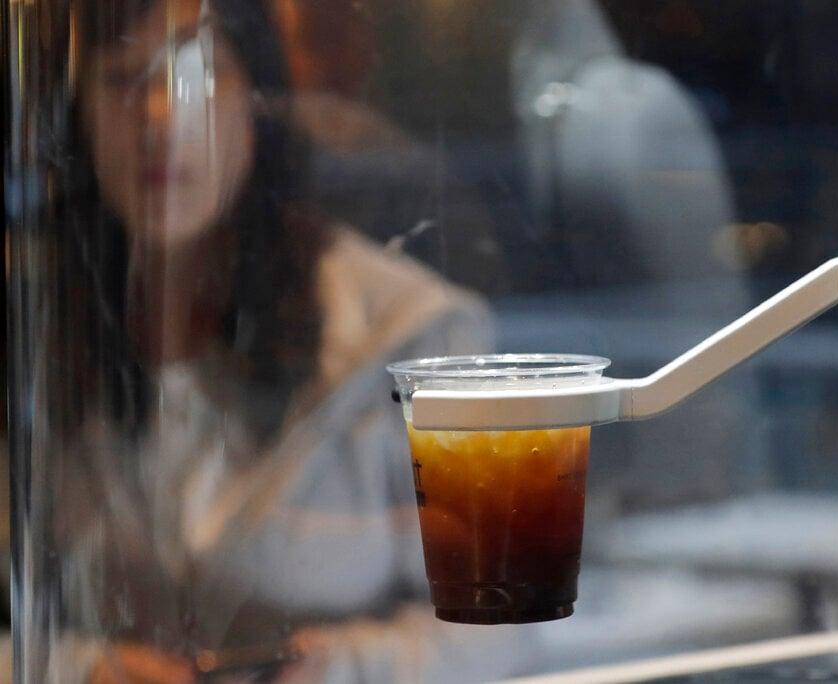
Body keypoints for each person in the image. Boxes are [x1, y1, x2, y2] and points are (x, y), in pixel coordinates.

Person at [29, 0, 525, 681]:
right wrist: (80, 669)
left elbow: (508, 622)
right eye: (120, 78)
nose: (161, 117)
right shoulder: (36, 322)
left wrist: (338, 670)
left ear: (257, 102)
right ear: (74, 113)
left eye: (201, 76)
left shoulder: (416, 330)